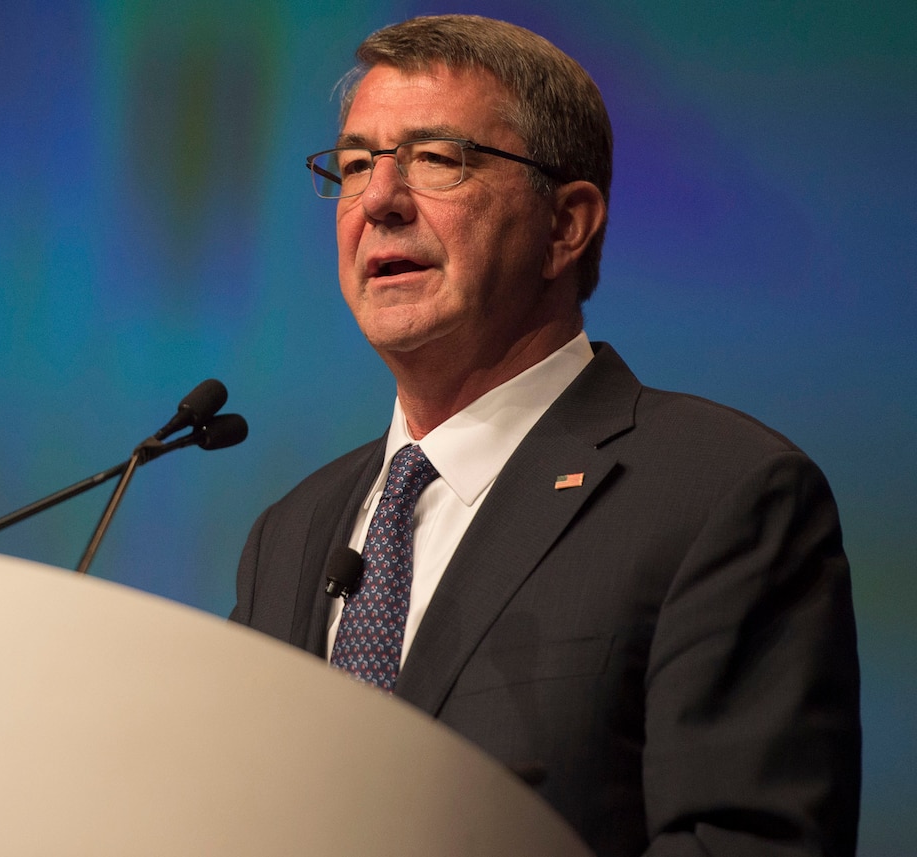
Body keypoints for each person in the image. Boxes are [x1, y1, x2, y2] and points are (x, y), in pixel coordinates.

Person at [230, 14, 860, 856]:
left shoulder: (723, 496)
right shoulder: (291, 534)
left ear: (567, 224)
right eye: (354, 165)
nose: (378, 201)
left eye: (436, 159)